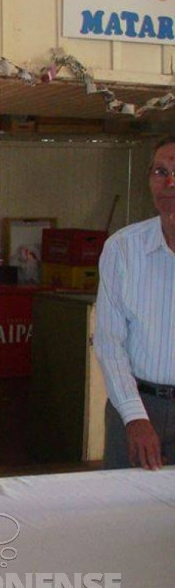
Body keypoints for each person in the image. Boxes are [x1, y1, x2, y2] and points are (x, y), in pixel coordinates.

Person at [94, 136, 175, 470]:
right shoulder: (123, 250)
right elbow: (110, 342)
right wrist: (133, 416)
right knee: (122, 514)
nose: (170, 182)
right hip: (136, 408)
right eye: (161, 171)